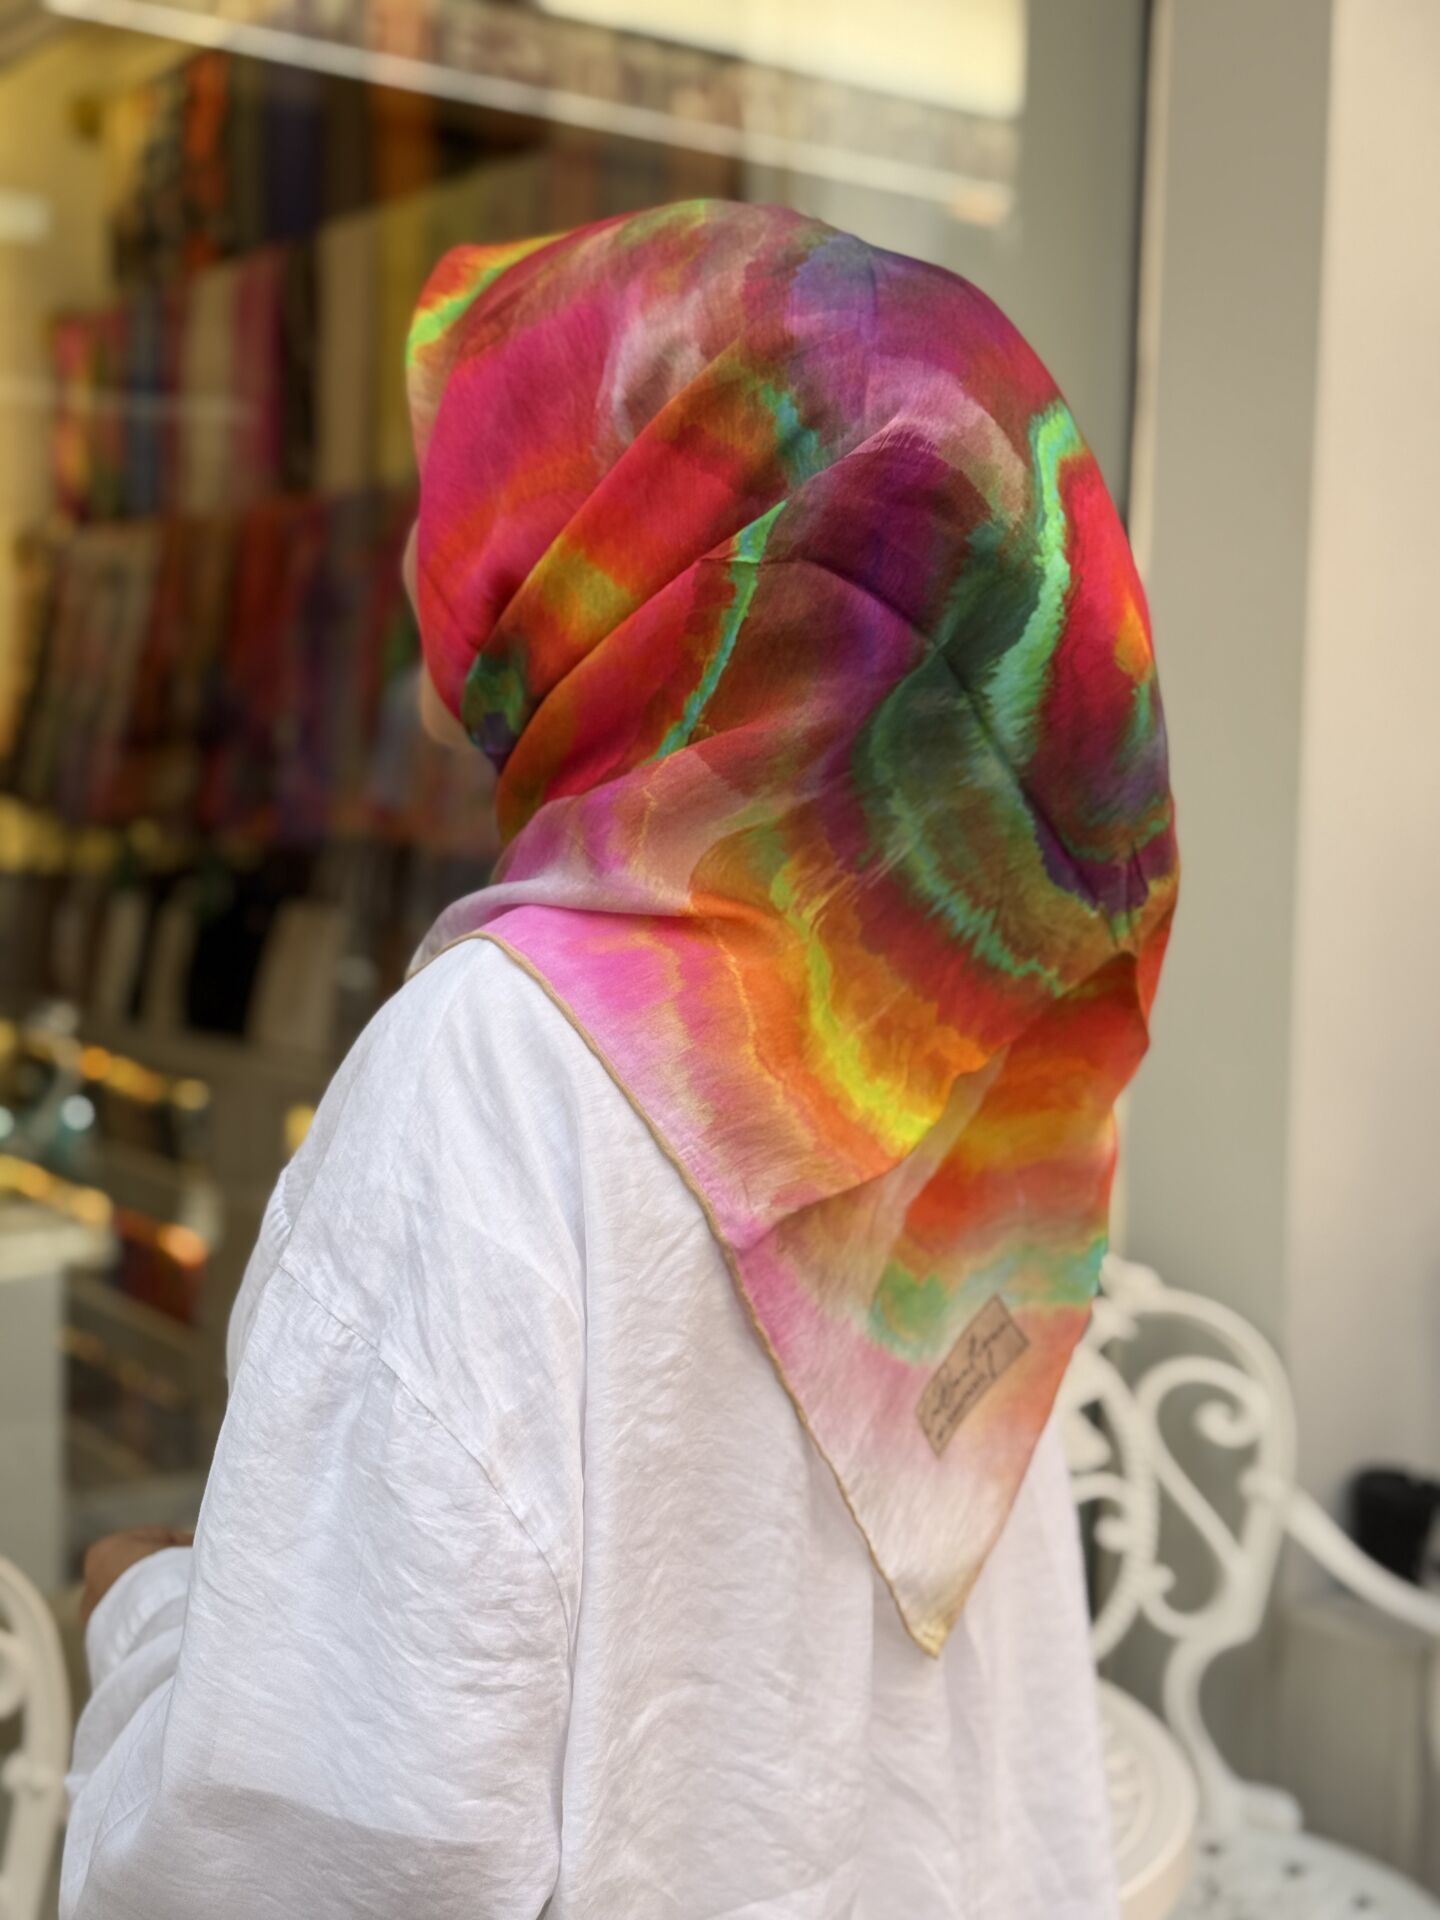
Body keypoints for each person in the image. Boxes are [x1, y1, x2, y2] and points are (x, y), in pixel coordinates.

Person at [62, 198, 1177, 1919]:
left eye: (502, 494)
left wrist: (141, 1621)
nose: (440, 562)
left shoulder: (502, 1065)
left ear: (627, 557)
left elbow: (321, 1848)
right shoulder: (952, 1027)